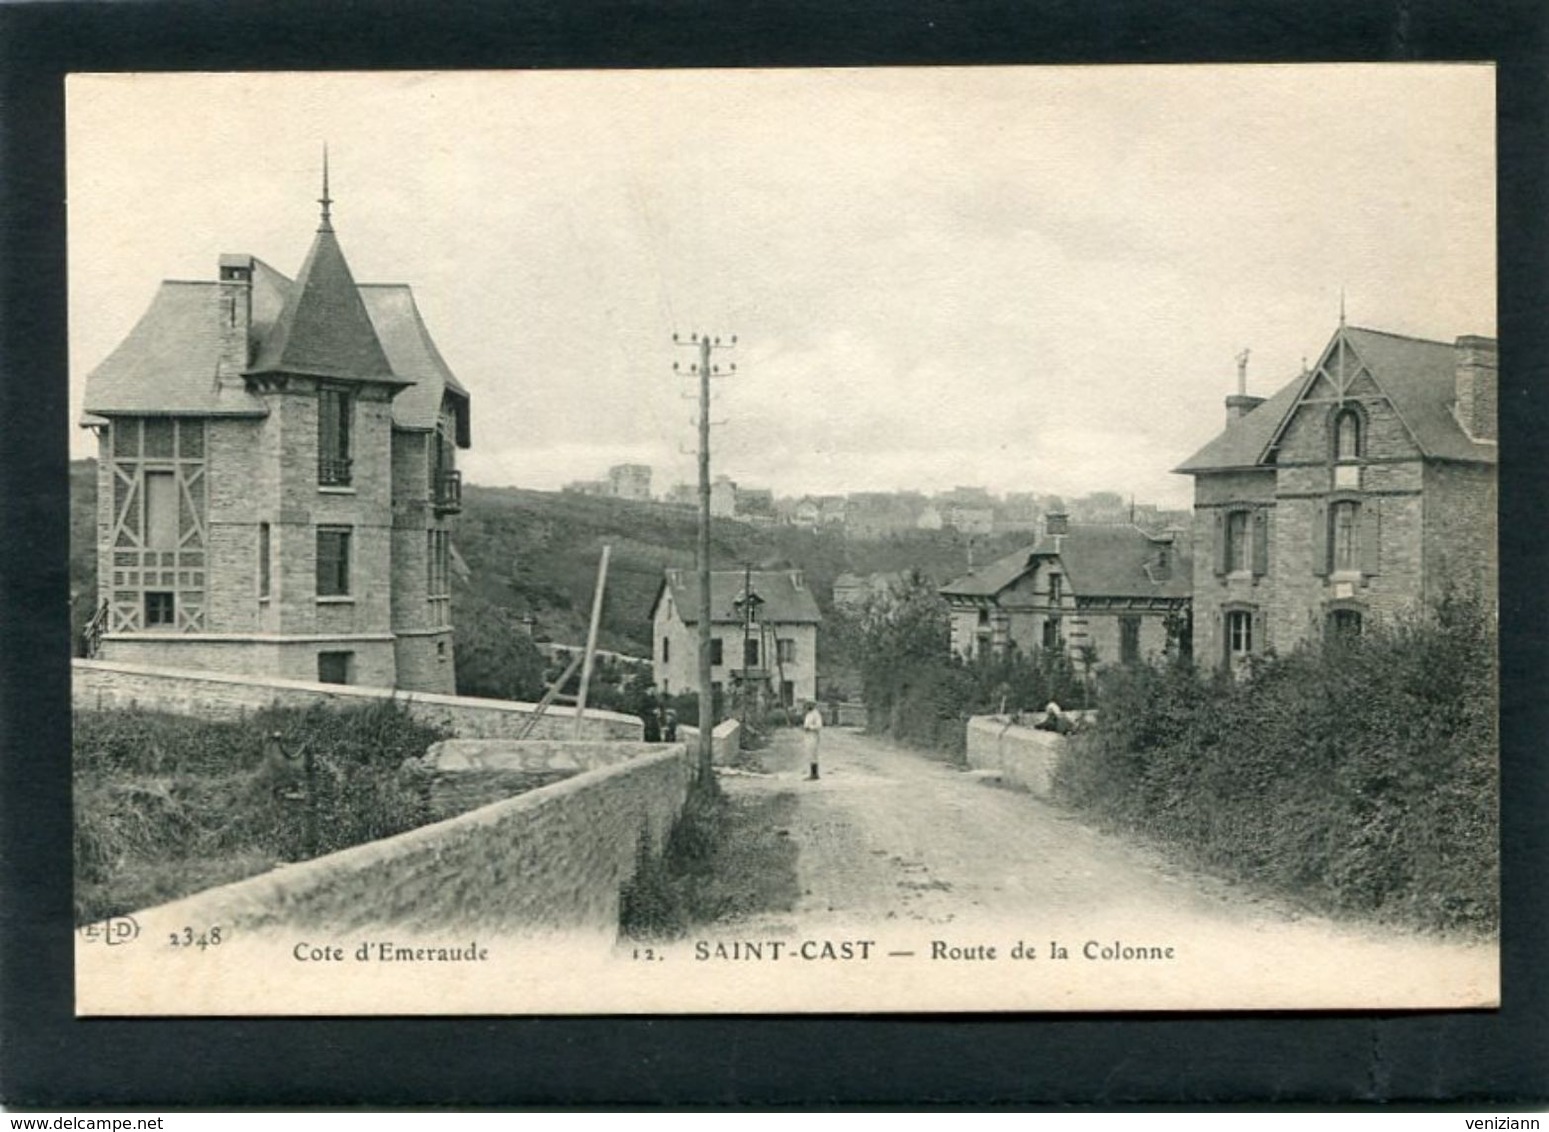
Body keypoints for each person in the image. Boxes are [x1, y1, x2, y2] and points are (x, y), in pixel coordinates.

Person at [801, 700, 824, 780]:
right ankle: (812, 773)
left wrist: (810, 727)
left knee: (813, 754)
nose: (807, 706)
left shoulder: (816, 714)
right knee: (809, 754)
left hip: (813, 735)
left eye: (809, 704)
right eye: (807, 704)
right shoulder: (809, 714)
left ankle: (814, 774)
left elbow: (819, 726)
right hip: (808, 736)